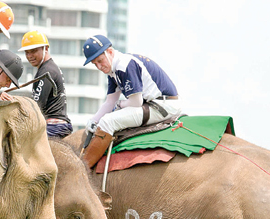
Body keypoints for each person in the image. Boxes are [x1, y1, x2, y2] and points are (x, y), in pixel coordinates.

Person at [80, 34, 180, 167]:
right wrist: (93, 120)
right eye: (95, 64)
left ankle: (84, 168)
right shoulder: (112, 70)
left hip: (163, 105)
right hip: (151, 104)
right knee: (101, 120)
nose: (99, 66)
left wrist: (119, 105)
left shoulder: (124, 65)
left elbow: (136, 102)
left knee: (107, 122)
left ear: (110, 52)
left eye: (100, 60)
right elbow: (110, 102)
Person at [17, 30, 72, 138]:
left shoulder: (46, 71)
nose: (30, 56)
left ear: (45, 48)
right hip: (60, 124)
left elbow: (36, 106)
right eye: (26, 52)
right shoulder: (49, 68)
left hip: (53, 125)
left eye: (33, 51)